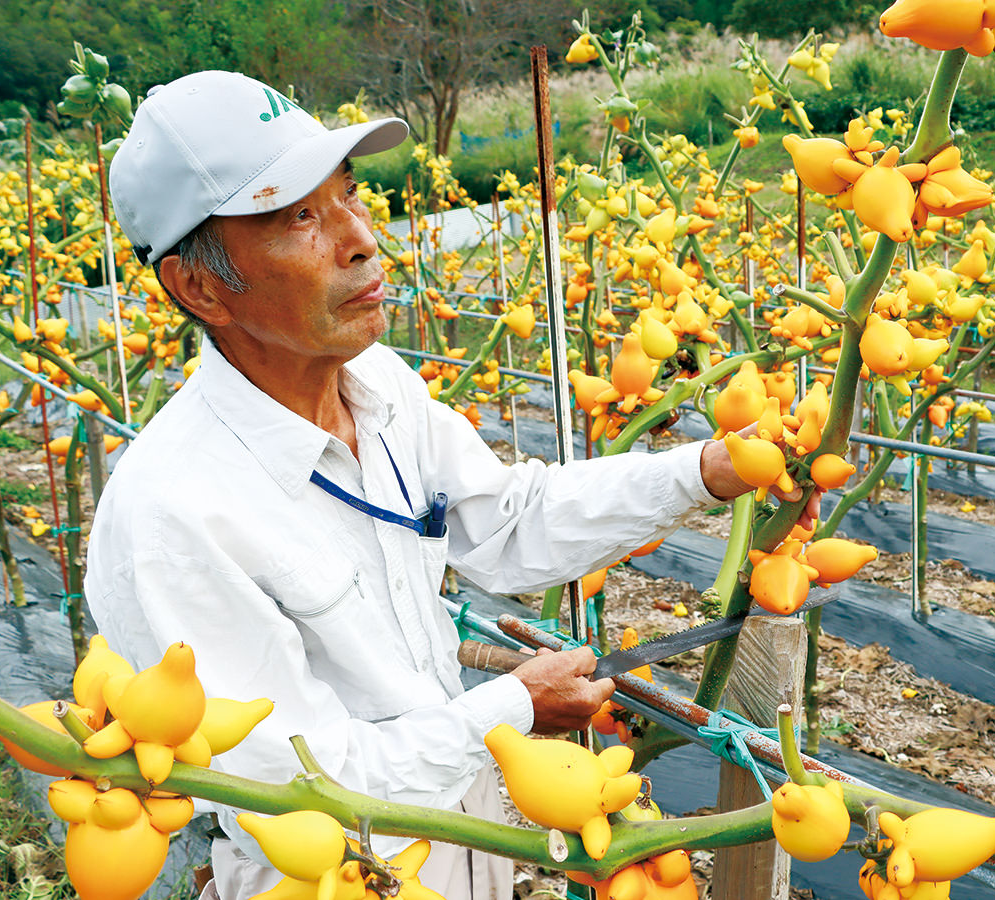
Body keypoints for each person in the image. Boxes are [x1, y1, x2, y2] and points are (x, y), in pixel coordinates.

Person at [84, 70, 817, 900]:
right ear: (198, 287)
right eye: (300, 217)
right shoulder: (175, 515)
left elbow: (508, 524)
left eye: (349, 195)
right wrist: (508, 710)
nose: (361, 238)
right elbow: (304, 791)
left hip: (466, 854)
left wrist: (707, 472)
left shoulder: (381, 386)